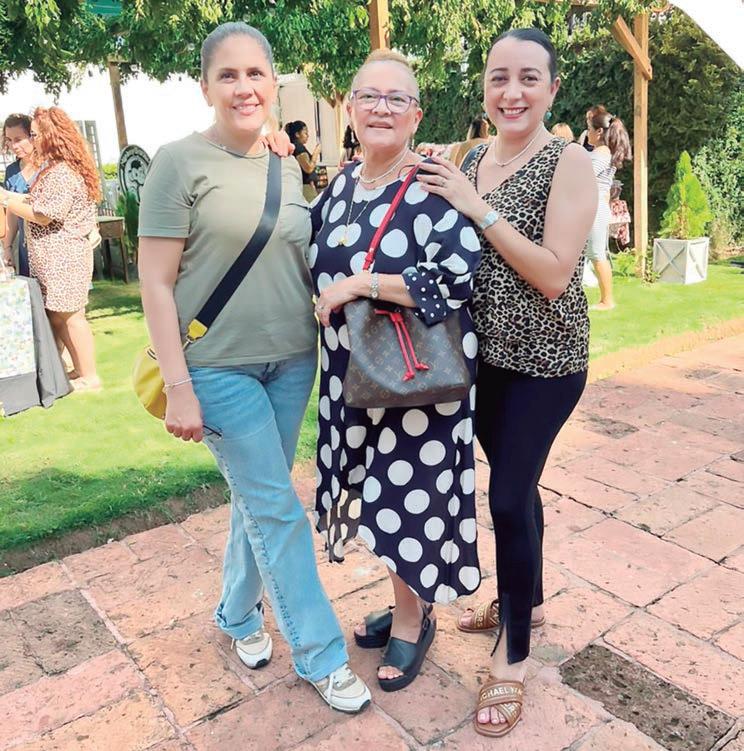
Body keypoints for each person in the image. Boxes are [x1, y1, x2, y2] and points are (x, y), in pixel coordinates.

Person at [137, 22, 370, 714]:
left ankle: (238, 613)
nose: (244, 87)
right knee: (277, 507)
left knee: (256, 498)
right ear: (205, 86)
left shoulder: (284, 163)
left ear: (274, 82)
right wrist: (178, 386)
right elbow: (155, 283)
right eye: (228, 75)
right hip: (216, 367)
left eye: (256, 74)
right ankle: (322, 654)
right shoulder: (178, 162)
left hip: (294, 359)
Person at [416, 28, 596, 736]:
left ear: (552, 89)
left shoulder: (568, 161)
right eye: (498, 77)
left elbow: (554, 274)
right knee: (520, 486)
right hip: (479, 359)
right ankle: (530, 599)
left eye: (528, 78)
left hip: (547, 363)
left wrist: (477, 206)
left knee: (507, 495)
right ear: (484, 86)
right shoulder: (470, 158)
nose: (511, 92)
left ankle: (513, 655)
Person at [310, 49, 482, 693]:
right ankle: (409, 602)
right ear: (350, 109)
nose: (381, 108)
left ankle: (413, 621)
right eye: (369, 96)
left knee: (402, 499)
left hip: (416, 381)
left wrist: (362, 283)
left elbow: (457, 280)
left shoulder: (432, 186)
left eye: (396, 98)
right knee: (378, 495)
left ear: (416, 115)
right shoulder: (339, 187)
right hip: (350, 376)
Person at [0, 106, 101, 391]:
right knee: (58, 316)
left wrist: (6, 199)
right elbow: (35, 204)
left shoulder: (62, 173)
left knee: (72, 317)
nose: (32, 140)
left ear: (51, 135)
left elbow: (43, 214)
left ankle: (90, 376)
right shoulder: (53, 170)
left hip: (65, 258)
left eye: (34, 135)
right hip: (52, 261)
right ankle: (77, 370)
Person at [585, 107, 632, 310]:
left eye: (589, 129)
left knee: (597, 255)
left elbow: (583, 176)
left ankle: (607, 300)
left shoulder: (602, 153)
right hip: (596, 208)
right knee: (592, 254)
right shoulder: (603, 153)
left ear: (599, 132)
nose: (587, 133)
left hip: (594, 210)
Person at [2, 114, 38, 276]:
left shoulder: (48, 168)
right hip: (25, 247)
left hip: (50, 245)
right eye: (9, 140)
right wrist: (7, 247)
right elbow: (11, 212)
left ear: (32, 136)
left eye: (18, 139)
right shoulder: (11, 171)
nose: (13, 146)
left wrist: (5, 196)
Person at [285, 120, 321, 201]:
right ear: (297, 134)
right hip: (305, 188)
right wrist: (316, 152)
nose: (308, 136)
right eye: (305, 133)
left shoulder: (296, 146)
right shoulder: (298, 147)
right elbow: (308, 168)